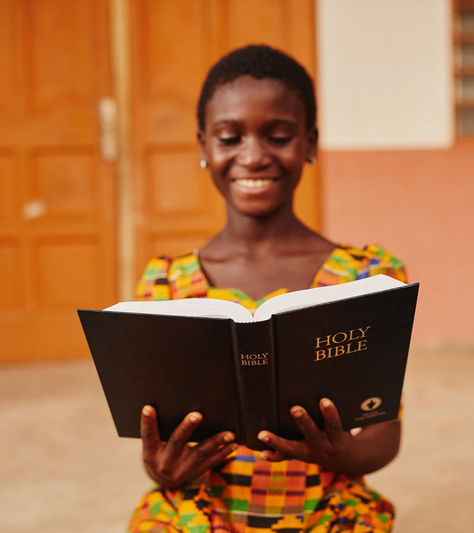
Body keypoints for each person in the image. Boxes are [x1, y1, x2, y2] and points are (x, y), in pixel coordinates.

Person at [129, 44, 407, 533]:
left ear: (310, 143)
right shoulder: (164, 283)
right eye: (229, 137)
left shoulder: (369, 275)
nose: (254, 157)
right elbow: (157, 444)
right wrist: (160, 469)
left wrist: (344, 453)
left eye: (278, 136)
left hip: (325, 511)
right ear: (203, 147)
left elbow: (385, 433)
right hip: (203, 514)